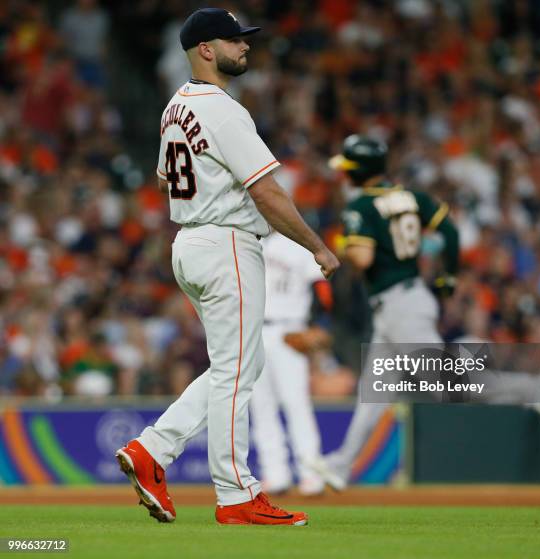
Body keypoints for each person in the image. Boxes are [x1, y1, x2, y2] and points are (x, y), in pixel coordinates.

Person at [115, 8, 339, 526]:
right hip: (227, 245)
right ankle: (237, 495)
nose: (246, 46)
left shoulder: (176, 108)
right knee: (239, 372)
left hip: (190, 241)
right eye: (234, 40)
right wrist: (316, 248)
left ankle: (153, 449)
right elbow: (265, 191)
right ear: (206, 50)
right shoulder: (222, 109)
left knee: (236, 368)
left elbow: (165, 180)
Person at [312, 134, 459, 490]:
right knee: (374, 392)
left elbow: (363, 258)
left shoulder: (360, 207)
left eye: (348, 166)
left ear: (359, 170)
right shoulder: (411, 196)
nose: (343, 173)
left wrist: (342, 246)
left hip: (401, 306)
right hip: (402, 302)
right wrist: (448, 277)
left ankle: (530, 390)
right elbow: (450, 232)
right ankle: (342, 466)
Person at [250, 230, 330, 496]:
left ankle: (311, 473)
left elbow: (323, 290)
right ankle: (276, 474)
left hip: (290, 331)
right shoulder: (249, 241)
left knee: (296, 403)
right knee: (261, 406)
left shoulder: (300, 244)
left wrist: (319, 325)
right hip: (254, 330)